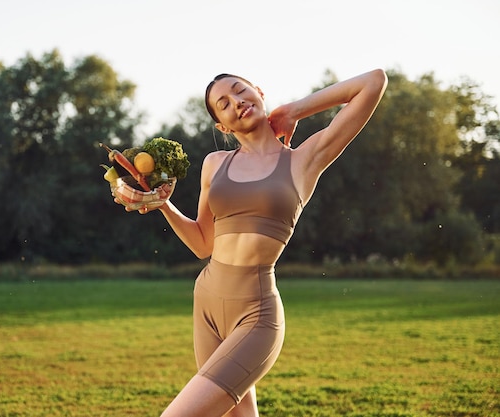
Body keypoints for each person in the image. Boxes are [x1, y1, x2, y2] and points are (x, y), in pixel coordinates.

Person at [117, 69, 388, 416]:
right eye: (223, 104)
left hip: (256, 313)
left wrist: (293, 110)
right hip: (208, 304)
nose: (236, 102)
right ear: (223, 127)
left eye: (240, 91)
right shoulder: (215, 164)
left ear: (258, 92)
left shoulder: (304, 160)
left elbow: (373, 82)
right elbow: (203, 244)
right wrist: (162, 204)